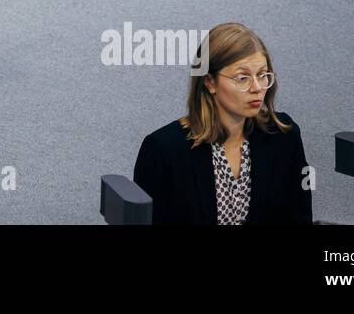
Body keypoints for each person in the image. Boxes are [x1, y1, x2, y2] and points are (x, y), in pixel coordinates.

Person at [133, 22, 313, 224]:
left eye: (262, 75)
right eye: (242, 78)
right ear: (210, 82)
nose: (257, 88)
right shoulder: (163, 149)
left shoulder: (283, 134)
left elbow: (299, 216)